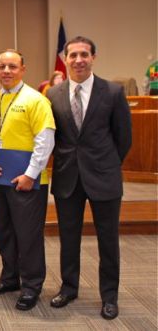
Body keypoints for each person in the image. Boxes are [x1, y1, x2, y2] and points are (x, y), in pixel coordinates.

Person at [46, 36, 132, 320]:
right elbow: (53, 138)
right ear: (66, 58)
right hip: (67, 178)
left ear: (93, 57)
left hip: (104, 177)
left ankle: (109, 296)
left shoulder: (113, 92)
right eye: (73, 55)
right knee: (68, 238)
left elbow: (124, 138)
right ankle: (69, 288)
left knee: (108, 240)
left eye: (84, 54)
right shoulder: (53, 94)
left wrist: (106, 164)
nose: (79, 59)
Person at [0, 49, 55, 311]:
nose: (6, 71)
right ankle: (10, 278)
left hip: (28, 181)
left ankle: (32, 285)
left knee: (28, 235)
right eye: (1, 66)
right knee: (5, 231)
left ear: (23, 69)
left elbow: (45, 140)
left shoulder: (36, 100)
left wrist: (31, 175)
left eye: (12, 66)